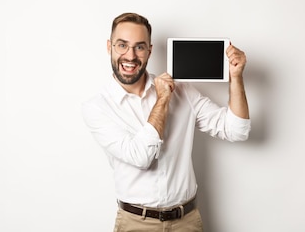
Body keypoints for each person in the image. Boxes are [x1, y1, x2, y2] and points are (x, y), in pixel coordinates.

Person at [81, 12, 251, 231]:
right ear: (109, 47)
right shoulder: (97, 107)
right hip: (135, 223)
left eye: (139, 47)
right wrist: (162, 100)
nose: (130, 56)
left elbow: (236, 130)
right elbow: (141, 156)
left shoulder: (183, 91)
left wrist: (236, 77)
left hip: (186, 222)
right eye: (122, 45)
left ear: (150, 50)